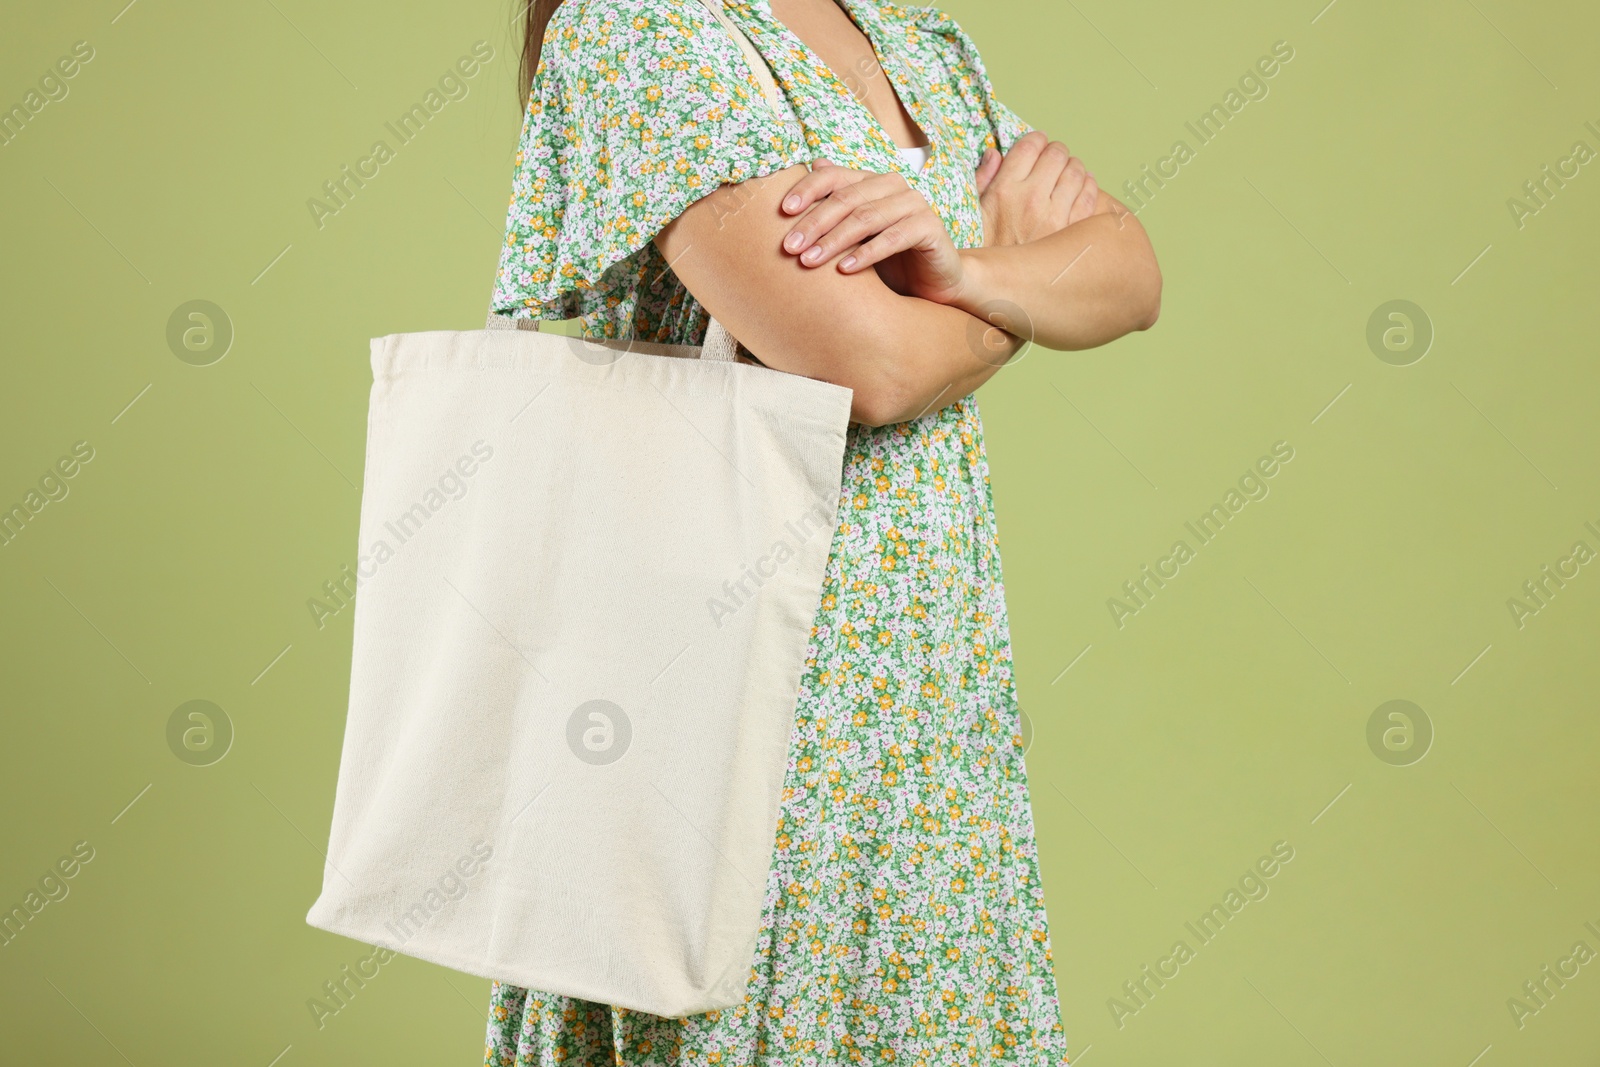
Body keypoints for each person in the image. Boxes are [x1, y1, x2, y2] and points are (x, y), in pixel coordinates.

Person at [485, 0, 1162, 1062]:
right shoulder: (640, 30)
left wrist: (962, 271)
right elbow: (866, 368)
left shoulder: (905, 33)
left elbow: (1126, 273)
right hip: (739, 700)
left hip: (923, 702)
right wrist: (1014, 267)